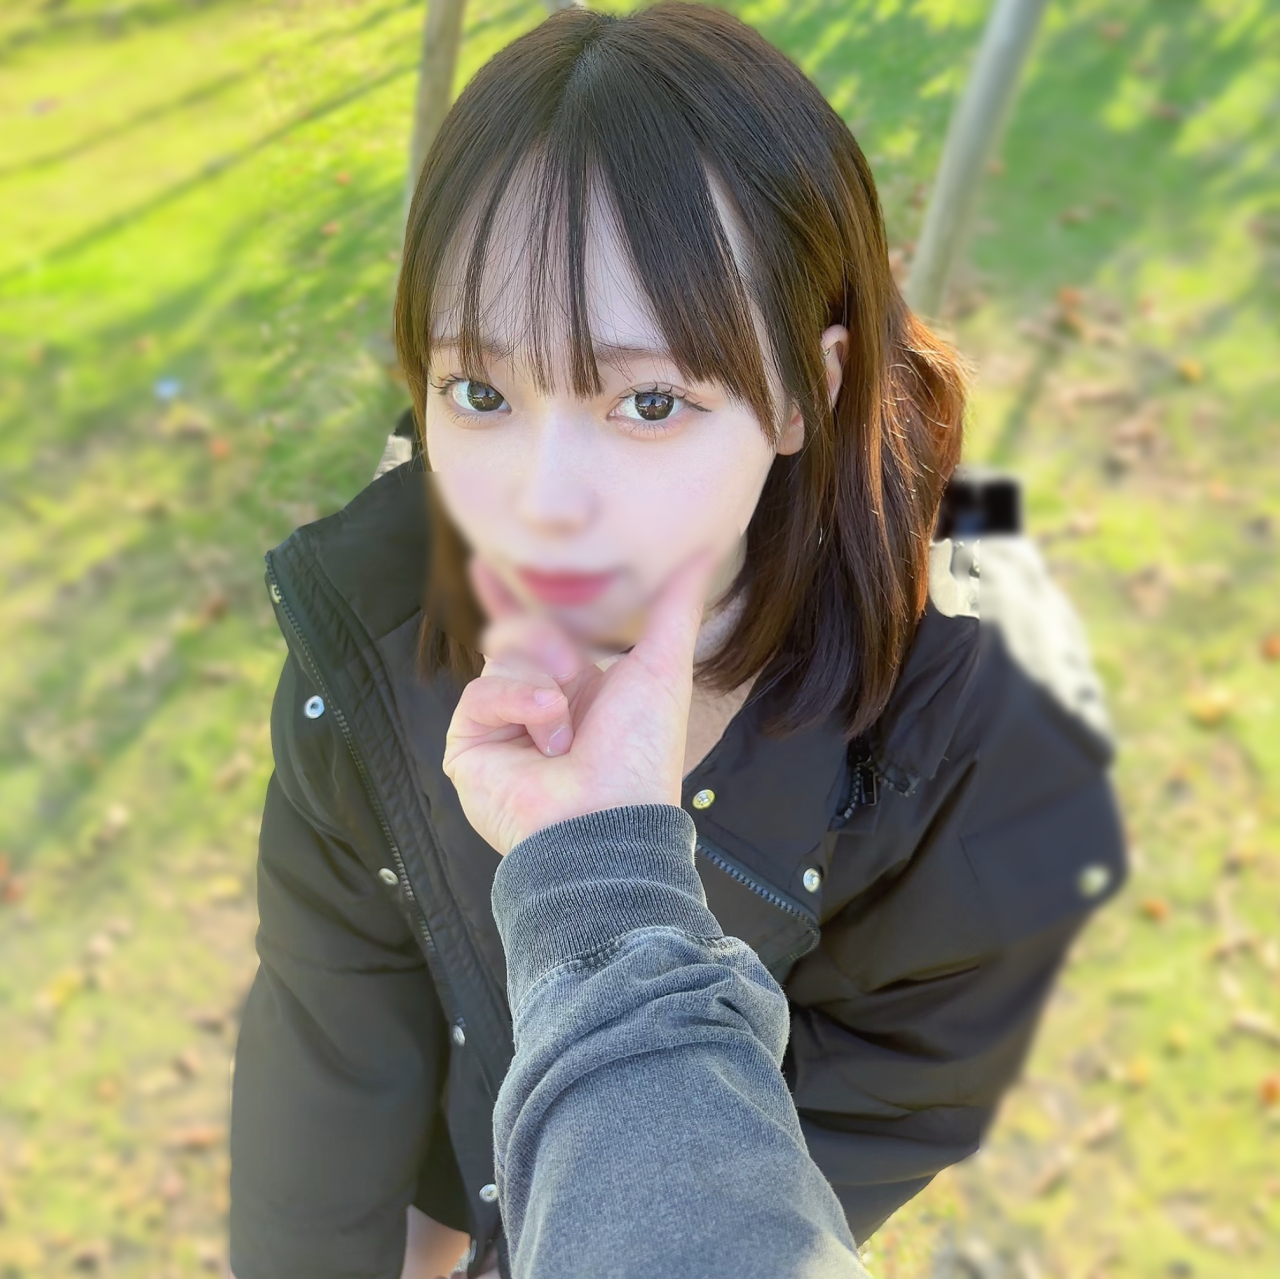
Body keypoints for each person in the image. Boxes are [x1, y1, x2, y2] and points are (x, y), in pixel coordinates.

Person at [229, 6, 1126, 1279]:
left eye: (649, 401)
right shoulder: (367, 632)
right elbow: (326, 1032)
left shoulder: (973, 735)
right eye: (481, 392)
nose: (540, 503)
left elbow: (878, 1100)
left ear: (807, 390)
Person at [448, 549, 869, 1278]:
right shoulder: (377, 610)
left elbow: (899, 1094)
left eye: (650, 422)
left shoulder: (958, 736)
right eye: (483, 421)